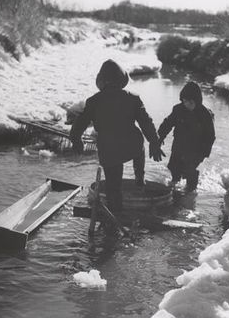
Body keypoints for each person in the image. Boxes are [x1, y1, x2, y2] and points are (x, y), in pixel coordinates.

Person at [70, 59, 164, 214]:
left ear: (101, 82)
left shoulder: (94, 101)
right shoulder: (133, 98)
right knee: (139, 146)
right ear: (122, 80)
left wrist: (76, 140)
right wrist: (154, 142)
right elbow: (146, 123)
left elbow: (80, 123)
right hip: (131, 145)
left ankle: (114, 218)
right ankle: (139, 177)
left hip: (109, 149)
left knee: (114, 187)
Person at [158, 81, 215, 192]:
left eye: (190, 102)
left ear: (196, 102)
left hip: (196, 149)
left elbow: (210, 137)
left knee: (189, 170)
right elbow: (167, 124)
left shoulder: (205, 115)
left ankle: (191, 191)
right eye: (184, 101)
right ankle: (174, 189)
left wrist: (203, 154)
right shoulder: (178, 110)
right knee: (174, 167)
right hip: (179, 145)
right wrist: (159, 139)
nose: (186, 105)